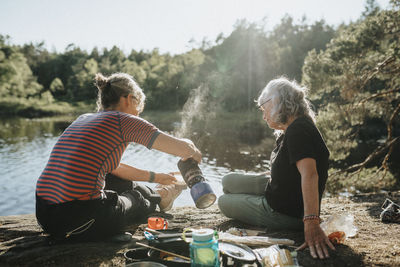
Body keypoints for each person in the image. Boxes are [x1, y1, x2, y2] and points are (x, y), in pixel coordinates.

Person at [35, 72, 201, 241]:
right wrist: (193, 148)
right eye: (138, 110)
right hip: (80, 220)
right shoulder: (123, 121)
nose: (137, 116)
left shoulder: (84, 118)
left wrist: (157, 177)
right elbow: (184, 149)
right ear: (129, 99)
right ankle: (161, 198)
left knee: (118, 180)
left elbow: (115, 168)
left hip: (44, 213)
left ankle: (162, 195)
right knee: (137, 200)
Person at [218, 77, 335, 259]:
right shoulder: (293, 127)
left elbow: (310, 174)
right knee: (227, 181)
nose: (263, 115)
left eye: (264, 109)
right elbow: (288, 170)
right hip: (280, 189)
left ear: (277, 102)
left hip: (285, 210)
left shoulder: (298, 130)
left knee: (224, 201)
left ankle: (269, 212)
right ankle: (253, 197)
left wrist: (311, 221)